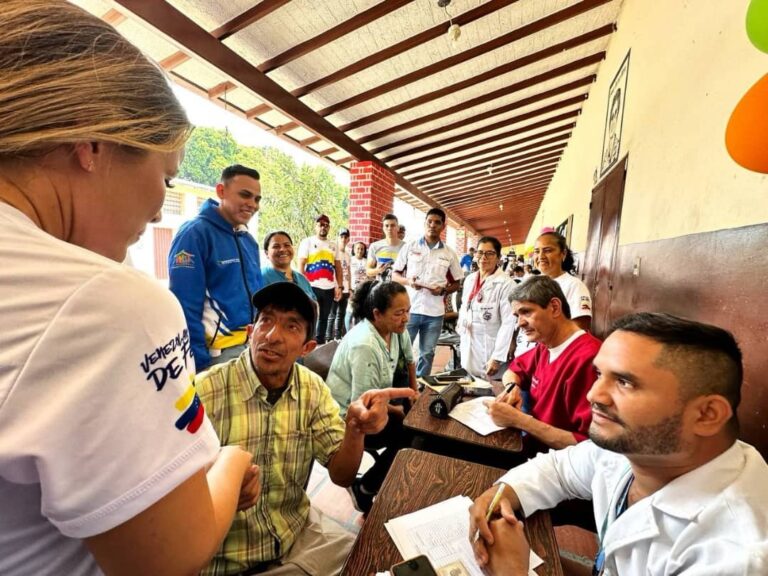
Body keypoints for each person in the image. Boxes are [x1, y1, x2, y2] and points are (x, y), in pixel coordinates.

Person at [0, 3, 258, 574]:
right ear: (92, 144)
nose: (159, 203)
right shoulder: (102, 303)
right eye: (165, 176)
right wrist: (234, 461)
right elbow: (167, 557)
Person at [470, 313, 768, 576]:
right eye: (599, 375)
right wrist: (500, 495)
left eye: (625, 382)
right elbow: (559, 469)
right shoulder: (641, 449)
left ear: (706, 415)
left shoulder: (736, 556)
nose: (593, 396)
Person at [196, 282, 417, 575]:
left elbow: (342, 475)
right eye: (266, 320)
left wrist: (354, 429)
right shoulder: (205, 392)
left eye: (291, 326)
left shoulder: (311, 388)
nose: (273, 335)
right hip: (225, 557)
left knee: (375, 559)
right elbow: (168, 493)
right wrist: (216, 493)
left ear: (306, 347)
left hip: (297, 535)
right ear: (252, 331)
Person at [327, 280, 417, 513]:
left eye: (408, 311)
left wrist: (412, 396)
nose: (406, 318)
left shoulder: (394, 330)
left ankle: (384, 480)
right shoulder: (365, 345)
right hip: (349, 418)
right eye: (399, 313)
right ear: (377, 314)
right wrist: (400, 413)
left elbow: (409, 361)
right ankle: (365, 487)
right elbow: (363, 408)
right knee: (411, 436)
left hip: (377, 402)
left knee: (416, 425)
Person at [488, 276, 601, 455]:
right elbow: (513, 370)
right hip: (534, 453)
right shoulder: (546, 345)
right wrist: (512, 388)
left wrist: (520, 421)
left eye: (526, 312)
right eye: (517, 316)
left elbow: (590, 447)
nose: (520, 323)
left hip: (561, 470)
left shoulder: (590, 359)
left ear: (555, 307)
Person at [169, 164, 263, 371]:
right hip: (215, 358)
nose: (252, 204)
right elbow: (184, 304)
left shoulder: (248, 240)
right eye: (245, 195)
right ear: (221, 191)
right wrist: (198, 360)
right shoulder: (194, 234)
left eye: (257, 199)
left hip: (251, 350)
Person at [392, 208, 463, 377]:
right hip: (408, 310)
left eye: (437, 222)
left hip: (434, 313)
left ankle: (421, 387)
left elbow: (457, 283)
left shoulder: (449, 253)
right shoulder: (410, 247)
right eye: (429, 221)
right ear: (425, 223)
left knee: (427, 353)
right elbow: (394, 275)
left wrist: (444, 290)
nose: (433, 225)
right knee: (401, 351)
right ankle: (400, 385)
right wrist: (409, 281)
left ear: (443, 226)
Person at [457, 237, 516, 379]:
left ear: (498, 258)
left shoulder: (506, 284)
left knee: (491, 387)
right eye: (480, 253)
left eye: (489, 253)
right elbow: (464, 307)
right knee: (470, 383)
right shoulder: (470, 279)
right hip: (469, 340)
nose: (484, 257)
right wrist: (460, 328)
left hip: (490, 345)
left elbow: (509, 322)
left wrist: (497, 357)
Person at [533, 230, 592, 331]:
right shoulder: (531, 283)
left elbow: (580, 328)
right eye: (537, 251)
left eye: (547, 250)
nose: (541, 256)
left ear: (563, 253)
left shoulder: (574, 285)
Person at [298, 214, 343, 345]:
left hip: (329, 287)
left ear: (329, 227)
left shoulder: (333, 245)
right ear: (315, 226)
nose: (323, 227)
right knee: (311, 316)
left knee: (324, 317)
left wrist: (339, 286)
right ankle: (306, 343)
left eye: (326, 225)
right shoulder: (307, 242)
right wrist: (302, 285)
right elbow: (301, 264)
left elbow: (338, 267)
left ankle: (320, 344)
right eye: (320, 224)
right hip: (311, 286)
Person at [260, 230, 317, 304]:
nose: (282, 249)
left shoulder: (302, 279)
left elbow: (314, 303)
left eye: (287, 245)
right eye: (276, 246)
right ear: (266, 253)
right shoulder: (260, 278)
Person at [326, 227, 351, 341]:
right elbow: (331, 271)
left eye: (345, 237)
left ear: (348, 239)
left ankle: (338, 337)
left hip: (345, 288)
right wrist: (336, 286)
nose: (343, 239)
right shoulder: (333, 252)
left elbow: (348, 271)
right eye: (341, 236)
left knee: (341, 314)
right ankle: (328, 338)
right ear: (338, 238)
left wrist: (349, 287)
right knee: (332, 315)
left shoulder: (347, 254)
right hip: (335, 287)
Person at [367, 213, 405, 281]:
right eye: (386, 226)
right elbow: (368, 271)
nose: (389, 228)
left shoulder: (406, 247)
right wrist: (377, 270)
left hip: (399, 289)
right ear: (383, 228)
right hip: (381, 288)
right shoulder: (374, 246)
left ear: (398, 228)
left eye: (392, 225)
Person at [346, 241, 369, 330]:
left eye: (362, 249)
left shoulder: (366, 261)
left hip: (363, 291)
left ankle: (357, 333)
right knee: (350, 313)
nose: (360, 251)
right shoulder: (350, 260)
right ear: (354, 250)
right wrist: (349, 289)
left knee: (360, 313)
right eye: (358, 248)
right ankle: (348, 334)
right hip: (352, 290)